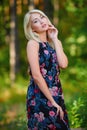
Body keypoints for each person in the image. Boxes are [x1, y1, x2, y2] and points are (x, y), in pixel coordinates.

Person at [24, 9, 70, 130]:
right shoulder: (33, 44)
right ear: (32, 28)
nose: (41, 21)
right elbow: (36, 75)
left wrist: (55, 39)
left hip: (56, 92)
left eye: (42, 17)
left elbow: (64, 64)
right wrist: (52, 102)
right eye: (36, 21)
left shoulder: (54, 43)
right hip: (40, 94)